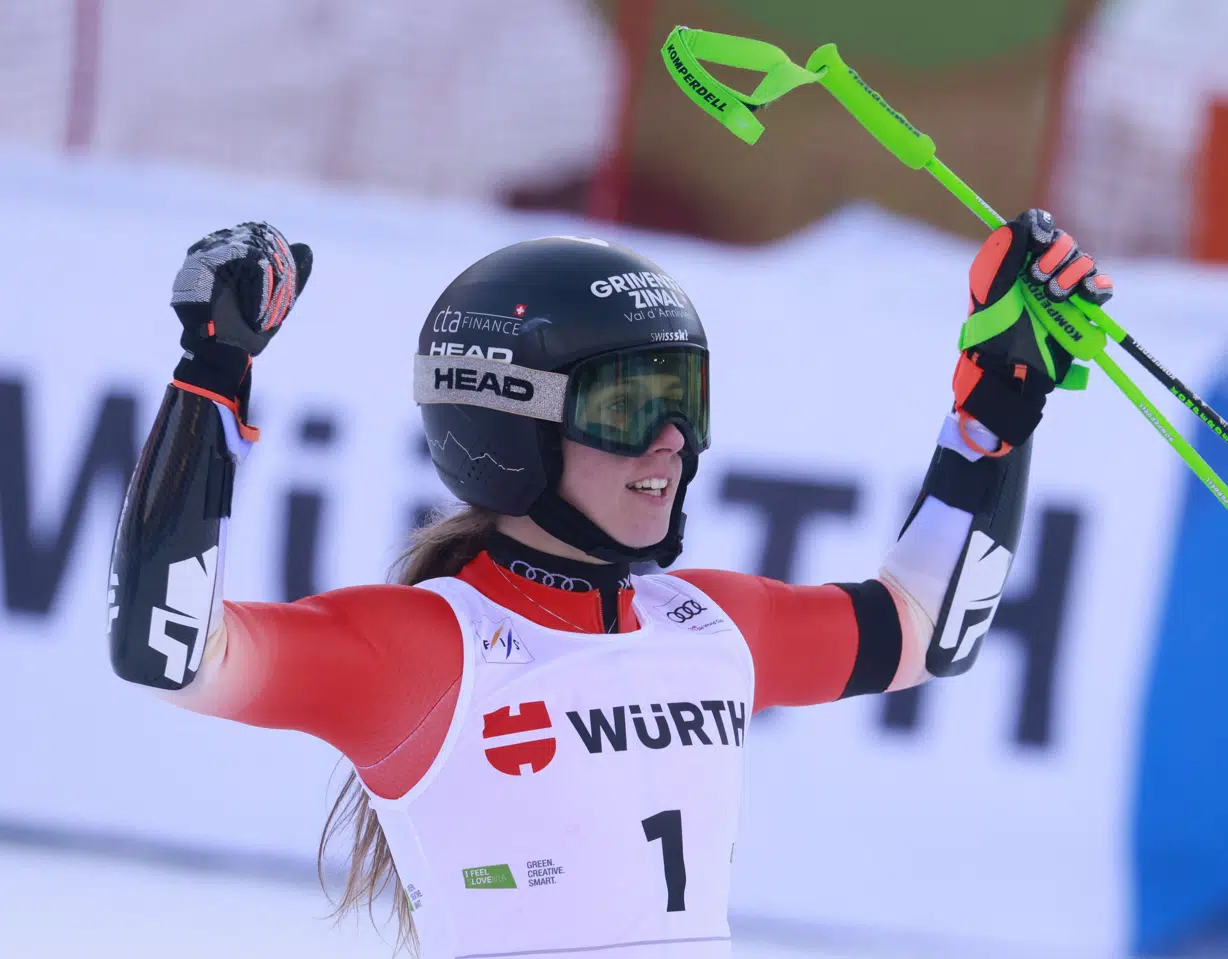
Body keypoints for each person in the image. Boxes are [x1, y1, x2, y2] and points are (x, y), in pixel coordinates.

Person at [108, 212, 1111, 958]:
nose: (672, 443)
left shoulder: (711, 622)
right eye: (631, 404)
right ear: (509, 421)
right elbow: (165, 645)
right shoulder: (424, 649)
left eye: (686, 402)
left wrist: (994, 413)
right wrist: (214, 370)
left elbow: (926, 628)